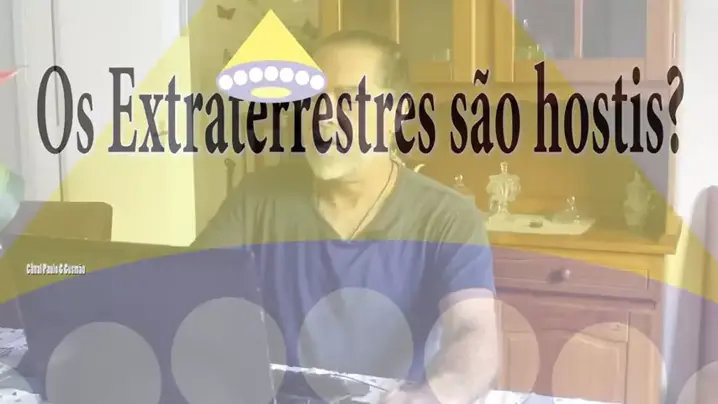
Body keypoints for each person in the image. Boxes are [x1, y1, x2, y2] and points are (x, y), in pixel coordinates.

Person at [193, 30, 498, 404]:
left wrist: (435, 395)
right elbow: (188, 292)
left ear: (398, 113)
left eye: (348, 98)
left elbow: (473, 330)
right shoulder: (258, 197)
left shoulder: (448, 217)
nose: (322, 115)